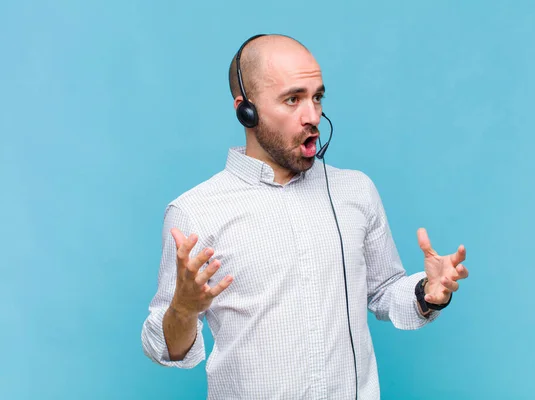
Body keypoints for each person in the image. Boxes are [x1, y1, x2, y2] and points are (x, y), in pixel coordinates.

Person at [141, 34, 469, 399]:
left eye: (317, 97)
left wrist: (427, 292)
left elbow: (384, 293)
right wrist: (183, 311)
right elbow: (165, 349)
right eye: (293, 99)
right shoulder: (195, 212)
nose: (312, 116)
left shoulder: (355, 191)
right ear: (245, 110)